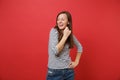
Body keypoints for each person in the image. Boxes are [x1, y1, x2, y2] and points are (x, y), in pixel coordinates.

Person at [46, 11, 83, 80]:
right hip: (54, 72)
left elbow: (80, 47)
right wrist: (65, 36)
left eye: (62, 19)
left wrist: (76, 62)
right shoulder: (54, 31)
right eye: (58, 19)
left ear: (68, 22)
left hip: (68, 71)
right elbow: (56, 51)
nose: (59, 21)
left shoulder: (70, 34)